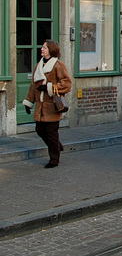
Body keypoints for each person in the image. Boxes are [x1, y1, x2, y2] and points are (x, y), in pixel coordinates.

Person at [22, 40, 72, 168]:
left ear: (51, 50)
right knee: (39, 130)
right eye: (42, 47)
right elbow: (33, 86)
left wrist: (50, 87)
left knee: (52, 133)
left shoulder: (58, 65)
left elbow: (67, 83)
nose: (42, 49)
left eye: (44, 47)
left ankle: (54, 160)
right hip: (40, 107)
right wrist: (29, 102)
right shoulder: (38, 66)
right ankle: (57, 146)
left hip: (52, 106)